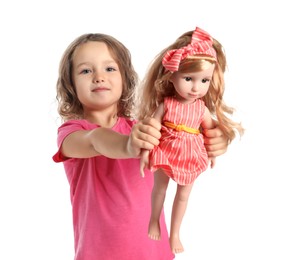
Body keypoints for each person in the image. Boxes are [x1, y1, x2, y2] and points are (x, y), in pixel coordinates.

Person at [52, 33, 230, 260]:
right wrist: (127, 145)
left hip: (156, 254)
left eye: (109, 69)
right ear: (71, 84)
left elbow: (185, 139)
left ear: (125, 78)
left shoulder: (144, 128)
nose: (99, 77)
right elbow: (95, 140)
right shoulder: (72, 131)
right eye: (86, 70)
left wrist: (216, 140)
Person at [138, 27, 244, 254]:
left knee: (183, 195)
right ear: (172, 76)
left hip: (190, 155)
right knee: (159, 189)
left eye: (204, 80)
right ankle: (154, 220)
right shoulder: (166, 104)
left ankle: (175, 232)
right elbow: (153, 127)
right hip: (165, 149)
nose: (196, 87)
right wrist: (146, 151)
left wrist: (214, 151)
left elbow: (210, 132)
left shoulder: (201, 108)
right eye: (188, 79)